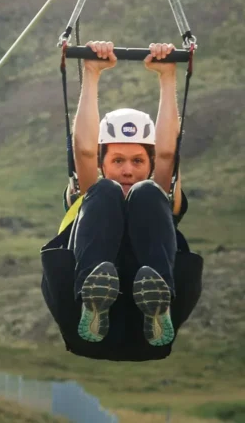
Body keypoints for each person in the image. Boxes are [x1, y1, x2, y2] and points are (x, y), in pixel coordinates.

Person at [40, 41, 203, 362]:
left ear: (150, 165)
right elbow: (85, 151)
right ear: (102, 163)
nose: (128, 170)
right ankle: (94, 299)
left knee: (148, 193)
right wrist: (91, 72)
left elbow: (167, 153)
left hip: (146, 333)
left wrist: (168, 76)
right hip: (83, 323)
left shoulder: (157, 196)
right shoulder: (92, 191)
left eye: (138, 161)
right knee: (104, 192)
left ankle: (156, 306)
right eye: (117, 161)